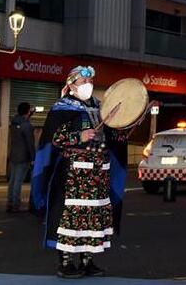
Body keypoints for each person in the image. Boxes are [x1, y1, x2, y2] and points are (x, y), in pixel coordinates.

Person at [32, 66, 127, 279]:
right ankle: (65, 263)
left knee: (94, 218)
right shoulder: (62, 107)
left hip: (99, 174)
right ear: (72, 84)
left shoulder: (101, 107)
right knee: (71, 218)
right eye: (83, 82)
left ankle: (88, 260)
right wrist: (79, 136)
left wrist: (127, 122)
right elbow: (53, 138)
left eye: (90, 81)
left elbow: (114, 135)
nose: (88, 85)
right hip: (74, 176)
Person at [6, 102, 36, 213]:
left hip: (14, 154)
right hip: (23, 156)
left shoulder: (15, 122)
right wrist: (33, 158)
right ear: (28, 111)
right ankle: (15, 204)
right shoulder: (27, 126)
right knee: (18, 180)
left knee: (12, 180)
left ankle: (10, 202)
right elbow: (30, 143)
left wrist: (29, 114)